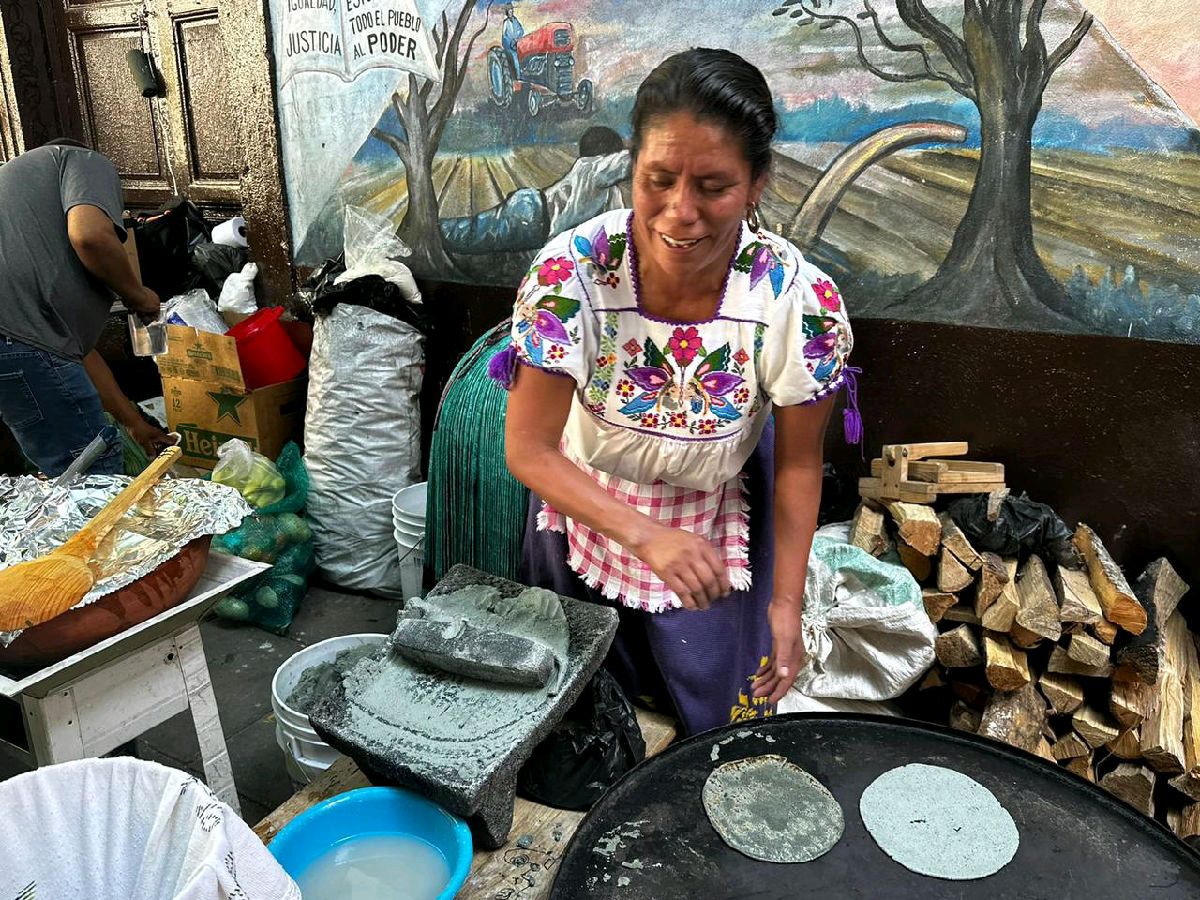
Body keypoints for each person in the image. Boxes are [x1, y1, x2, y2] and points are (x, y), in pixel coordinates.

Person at [499, 49, 858, 736]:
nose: (680, 212)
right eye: (658, 179)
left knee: (720, 718)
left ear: (757, 184)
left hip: (715, 514)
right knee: (582, 713)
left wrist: (786, 605)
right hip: (585, 508)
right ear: (631, 168)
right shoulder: (570, 276)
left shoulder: (797, 301)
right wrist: (644, 535)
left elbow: (801, 465)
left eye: (714, 185)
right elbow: (530, 450)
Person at [0, 138, 170, 477]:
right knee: (91, 479)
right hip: (15, 342)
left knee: (68, 472)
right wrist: (136, 295)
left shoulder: (21, 199)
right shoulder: (82, 159)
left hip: (19, 344)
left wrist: (133, 422)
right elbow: (89, 236)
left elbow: (77, 356)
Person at [439, 126, 629, 255]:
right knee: (476, 234)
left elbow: (616, 224)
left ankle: (437, 229)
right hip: (533, 216)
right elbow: (624, 162)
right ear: (607, 155)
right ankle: (435, 230)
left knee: (478, 229)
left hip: (532, 209)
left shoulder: (607, 189)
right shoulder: (591, 168)